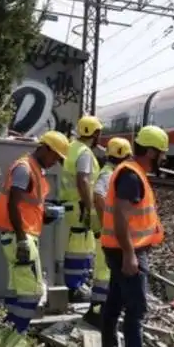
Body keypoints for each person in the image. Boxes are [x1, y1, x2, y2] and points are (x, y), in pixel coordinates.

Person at [99, 125, 171, 347]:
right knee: (136, 310)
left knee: (115, 304)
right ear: (151, 151)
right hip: (127, 251)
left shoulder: (131, 172)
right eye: (161, 153)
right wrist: (130, 254)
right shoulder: (131, 176)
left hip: (122, 249)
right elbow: (121, 216)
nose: (163, 158)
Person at [0, 131, 69, 333]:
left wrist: (45, 216)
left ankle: (8, 335)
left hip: (20, 236)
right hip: (21, 237)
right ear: (45, 148)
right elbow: (13, 204)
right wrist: (22, 239)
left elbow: (26, 206)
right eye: (55, 157)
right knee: (32, 293)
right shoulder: (25, 169)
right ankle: (17, 336)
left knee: (18, 292)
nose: (55, 162)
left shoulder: (33, 169)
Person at [83, 137, 132, 328]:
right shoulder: (109, 174)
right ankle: (97, 312)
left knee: (103, 272)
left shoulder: (110, 172)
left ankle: (98, 310)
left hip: (105, 232)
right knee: (104, 272)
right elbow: (99, 197)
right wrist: (109, 224)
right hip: (107, 233)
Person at [60, 115, 103, 300]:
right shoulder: (84, 152)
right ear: (95, 133)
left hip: (70, 204)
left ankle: (75, 284)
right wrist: (90, 206)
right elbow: (83, 179)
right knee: (80, 248)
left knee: (75, 246)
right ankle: (75, 288)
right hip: (80, 206)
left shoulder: (71, 147)